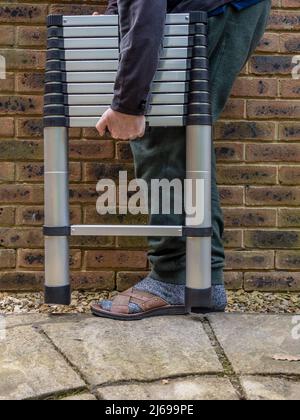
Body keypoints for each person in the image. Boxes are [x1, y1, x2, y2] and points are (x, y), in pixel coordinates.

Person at [91, 0, 272, 320]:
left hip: (219, 9)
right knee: (189, 138)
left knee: (162, 132)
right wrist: (112, 19)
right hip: (229, 7)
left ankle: (173, 278)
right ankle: (203, 279)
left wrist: (129, 105)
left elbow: (145, 9)